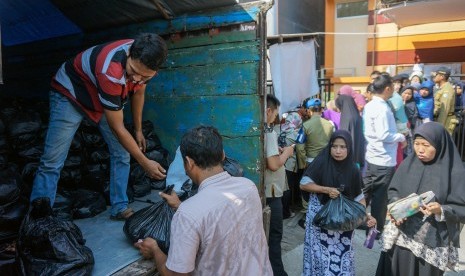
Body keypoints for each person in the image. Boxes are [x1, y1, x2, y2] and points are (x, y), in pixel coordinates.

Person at [30, 33, 168, 220]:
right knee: (52, 161)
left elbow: (138, 93)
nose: (136, 78)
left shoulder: (145, 63)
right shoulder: (110, 71)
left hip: (99, 94)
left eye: (144, 76)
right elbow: (118, 128)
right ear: (129, 55)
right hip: (70, 93)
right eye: (133, 71)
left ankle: (119, 207)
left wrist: (137, 130)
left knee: (122, 153)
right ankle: (38, 222)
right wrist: (145, 163)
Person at [135, 126, 273, 275]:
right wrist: (181, 206)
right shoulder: (248, 187)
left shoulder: (187, 214)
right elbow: (221, 221)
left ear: (188, 162)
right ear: (222, 155)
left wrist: (155, 250)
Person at [376, 122, 465, 276]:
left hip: (430, 244)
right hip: (400, 238)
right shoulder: (408, 165)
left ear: (440, 145)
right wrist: (397, 209)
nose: (420, 149)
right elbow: (393, 192)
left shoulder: (455, 174)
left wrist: (441, 209)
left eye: (426, 145)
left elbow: (461, 208)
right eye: (416, 144)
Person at [300, 130, 376, 275]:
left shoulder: (353, 169)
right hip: (320, 219)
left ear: (349, 148)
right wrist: (326, 190)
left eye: (343, 147)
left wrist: (365, 215)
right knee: (319, 257)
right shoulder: (322, 161)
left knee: (342, 257)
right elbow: (303, 184)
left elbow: (359, 196)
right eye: (334, 146)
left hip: (344, 223)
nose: (338, 151)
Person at [363, 74, 407, 233]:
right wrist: (401, 137)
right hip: (383, 159)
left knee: (365, 193)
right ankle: (375, 229)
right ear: (387, 88)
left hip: (373, 155)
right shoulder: (381, 108)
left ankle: (358, 221)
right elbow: (384, 135)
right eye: (393, 86)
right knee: (380, 199)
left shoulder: (370, 105)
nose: (395, 89)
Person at [264, 94, 294, 276]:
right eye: (275, 114)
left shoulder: (260, 131)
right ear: (269, 111)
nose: (276, 118)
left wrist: (278, 153)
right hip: (271, 193)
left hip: (265, 191)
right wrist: (288, 153)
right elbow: (274, 164)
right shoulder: (269, 133)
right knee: (274, 237)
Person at [296, 98, 334, 228]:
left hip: (310, 162)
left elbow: (299, 146)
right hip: (325, 162)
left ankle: (307, 216)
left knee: (306, 187)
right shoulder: (330, 124)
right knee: (322, 188)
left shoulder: (306, 125)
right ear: (321, 109)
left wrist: (302, 163)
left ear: (309, 110)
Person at [335, 94, 365, 168]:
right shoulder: (358, 116)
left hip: (347, 159)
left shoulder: (346, 117)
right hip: (358, 157)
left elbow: (343, 137)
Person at [433, 67, 457, 135]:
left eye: (436, 75)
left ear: (442, 77)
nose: (435, 77)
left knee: (444, 142)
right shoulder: (442, 88)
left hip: (445, 121)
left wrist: (439, 126)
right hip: (441, 119)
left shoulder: (447, 89)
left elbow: (444, 110)